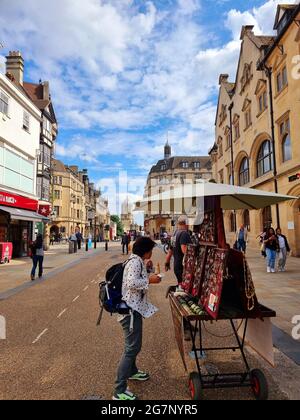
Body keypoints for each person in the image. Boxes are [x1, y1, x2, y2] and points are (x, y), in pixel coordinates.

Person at [113, 237, 161, 401]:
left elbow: (135, 279)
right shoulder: (135, 262)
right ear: (145, 250)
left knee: (134, 346)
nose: (152, 252)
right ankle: (119, 390)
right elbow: (131, 282)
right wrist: (150, 280)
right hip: (130, 312)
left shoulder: (137, 261)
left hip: (134, 309)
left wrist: (148, 271)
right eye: (151, 250)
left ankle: (132, 372)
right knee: (131, 348)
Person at [165, 216, 191, 285]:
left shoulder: (174, 234)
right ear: (186, 223)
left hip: (176, 266)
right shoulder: (184, 234)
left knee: (181, 285)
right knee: (185, 287)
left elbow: (170, 251)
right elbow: (184, 250)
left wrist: (167, 263)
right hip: (183, 267)